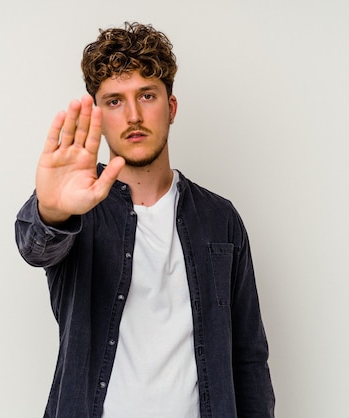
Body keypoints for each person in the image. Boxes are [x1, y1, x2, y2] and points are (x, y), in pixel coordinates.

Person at [15, 22, 275, 418]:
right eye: (115, 101)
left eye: (147, 95)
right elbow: (36, 246)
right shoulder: (75, 207)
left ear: (170, 107)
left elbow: (249, 359)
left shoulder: (219, 219)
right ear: (98, 115)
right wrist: (52, 212)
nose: (133, 115)